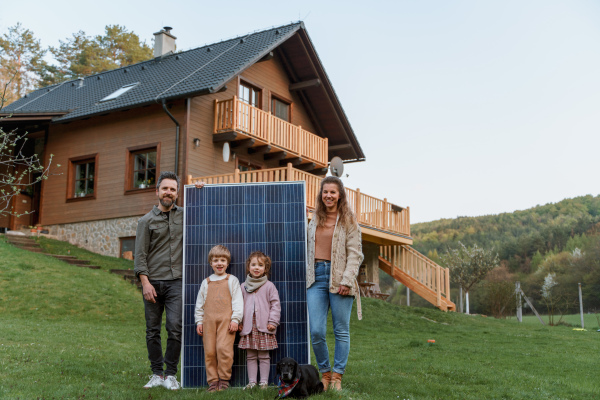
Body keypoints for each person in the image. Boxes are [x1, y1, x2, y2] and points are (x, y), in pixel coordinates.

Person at [134, 171, 202, 390]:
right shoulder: (146, 221)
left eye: (173, 189)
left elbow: (207, 211)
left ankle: (170, 375)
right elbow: (140, 255)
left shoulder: (186, 215)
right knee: (152, 330)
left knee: (175, 328)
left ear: (177, 193)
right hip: (152, 282)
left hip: (176, 283)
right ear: (157, 191)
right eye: (165, 188)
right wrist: (145, 283)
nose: (169, 192)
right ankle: (156, 374)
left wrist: (201, 191)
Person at [306, 176, 364, 391]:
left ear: (340, 195)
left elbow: (355, 254)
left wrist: (348, 280)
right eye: (325, 192)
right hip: (315, 278)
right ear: (321, 194)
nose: (328, 195)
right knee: (317, 331)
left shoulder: (349, 221)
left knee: (341, 330)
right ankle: (325, 373)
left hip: (340, 278)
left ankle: (337, 377)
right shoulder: (314, 220)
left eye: (333, 192)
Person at [195, 245, 244, 392]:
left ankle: (224, 379)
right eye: (216, 260)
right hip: (208, 322)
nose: (219, 263)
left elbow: (238, 301)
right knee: (209, 351)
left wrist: (236, 319)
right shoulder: (206, 282)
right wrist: (199, 321)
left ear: (227, 263)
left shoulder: (232, 280)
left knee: (224, 349)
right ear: (211, 263)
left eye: (223, 260)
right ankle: (213, 381)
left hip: (226, 322)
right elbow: (199, 304)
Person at [238, 251, 281, 390]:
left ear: (265, 268)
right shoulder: (243, 286)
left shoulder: (269, 286)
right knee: (250, 356)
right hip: (249, 328)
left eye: (260, 265)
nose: (257, 267)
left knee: (263, 356)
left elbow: (275, 305)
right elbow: (238, 305)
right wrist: (239, 322)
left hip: (264, 327)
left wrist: (273, 322)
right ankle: (252, 382)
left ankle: (263, 382)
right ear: (248, 267)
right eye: (253, 264)